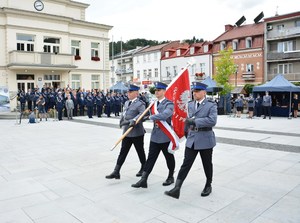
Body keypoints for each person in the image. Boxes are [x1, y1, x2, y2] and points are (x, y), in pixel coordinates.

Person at [165, 82, 217, 199]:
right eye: (193, 91)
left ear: (204, 92)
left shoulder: (211, 105)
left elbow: (212, 120)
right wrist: (185, 130)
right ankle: (177, 187)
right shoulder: (190, 104)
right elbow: (186, 119)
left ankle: (208, 184)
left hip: (205, 138)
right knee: (186, 163)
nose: (195, 93)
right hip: (192, 137)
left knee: (207, 163)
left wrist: (195, 121)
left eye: (197, 91)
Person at [131, 81, 175, 188]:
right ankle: (144, 179)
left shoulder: (169, 104)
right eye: (155, 90)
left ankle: (170, 176)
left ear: (164, 91)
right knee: (151, 158)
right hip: (155, 135)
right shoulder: (153, 104)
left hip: (165, 135)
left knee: (168, 157)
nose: (156, 92)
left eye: (159, 90)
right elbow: (144, 113)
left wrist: (150, 118)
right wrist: (135, 119)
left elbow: (165, 115)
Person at [106, 84, 147, 180]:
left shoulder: (140, 104)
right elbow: (124, 114)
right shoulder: (126, 103)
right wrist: (121, 121)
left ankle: (144, 168)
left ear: (136, 93)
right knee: (123, 152)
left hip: (137, 132)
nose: (128, 93)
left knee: (140, 151)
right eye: (128, 92)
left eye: (130, 92)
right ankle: (116, 171)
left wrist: (132, 121)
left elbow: (143, 115)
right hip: (126, 132)